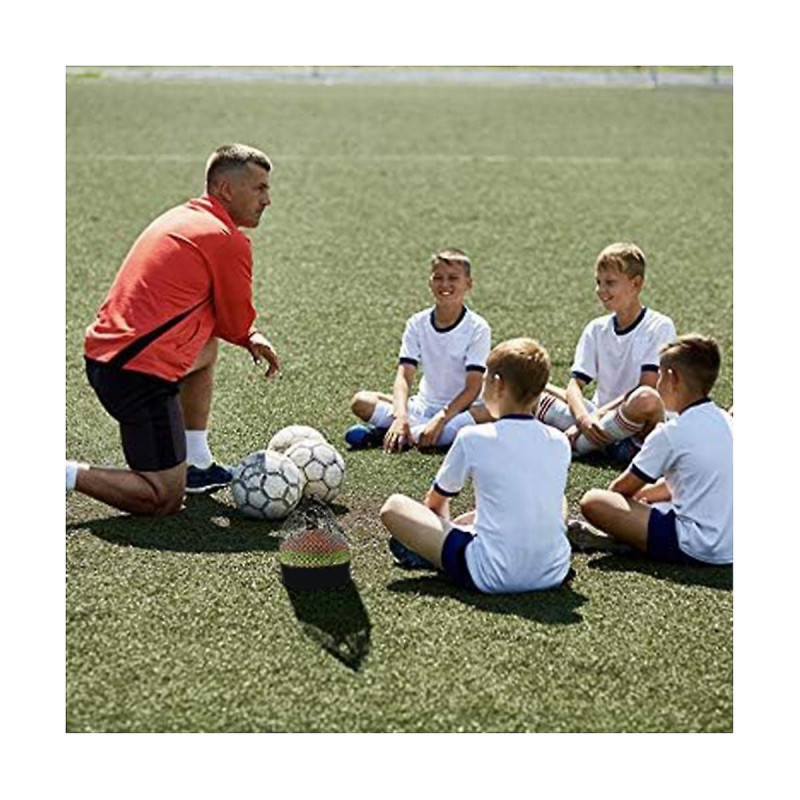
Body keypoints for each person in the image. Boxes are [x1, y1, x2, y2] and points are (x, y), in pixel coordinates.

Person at [66, 143, 280, 515]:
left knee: (207, 342)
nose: (267, 200)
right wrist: (248, 334)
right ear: (226, 190)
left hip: (109, 357)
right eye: (259, 188)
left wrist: (246, 334)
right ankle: (64, 474)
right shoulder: (225, 239)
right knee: (162, 496)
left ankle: (196, 462)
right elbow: (233, 320)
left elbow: (224, 324)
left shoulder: (184, 216)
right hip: (136, 375)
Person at [380, 338, 572, 593]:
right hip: (553, 573)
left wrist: (442, 538)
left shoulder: (473, 436)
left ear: (497, 384)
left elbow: (435, 504)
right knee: (558, 500)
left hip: (489, 574)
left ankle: (433, 557)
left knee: (394, 506)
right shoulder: (560, 441)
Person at [577, 335, 732, 565]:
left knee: (595, 501)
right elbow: (694, 480)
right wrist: (645, 496)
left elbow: (619, 490)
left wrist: (635, 502)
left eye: (659, 375)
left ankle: (624, 543)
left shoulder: (671, 432)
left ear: (671, 378)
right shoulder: (726, 420)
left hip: (698, 546)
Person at [535, 242, 676, 463]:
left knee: (646, 399)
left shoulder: (659, 326)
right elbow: (575, 385)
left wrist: (594, 418)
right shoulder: (596, 328)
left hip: (634, 425)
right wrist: (583, 419)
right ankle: (592, 443)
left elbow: (646, 386)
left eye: (610, 283)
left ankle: (576, 445)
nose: (601, 290)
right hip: (598, 419)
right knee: (530, 386)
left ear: (636, 284)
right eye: (598, 282)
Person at [345, 248, 492, 452]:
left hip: (460, 411)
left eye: (453, 278)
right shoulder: (417, 323)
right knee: (361, 401)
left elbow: (473, 388)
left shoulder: (477, 327)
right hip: (422, 407)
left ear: (468, 283)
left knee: (482, 415)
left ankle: (390, 435)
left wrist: (441, 418)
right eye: (438, 278)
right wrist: (401, 415)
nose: (445, 284)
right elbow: (404, 375)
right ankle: (403, 431)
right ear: (430, 282)